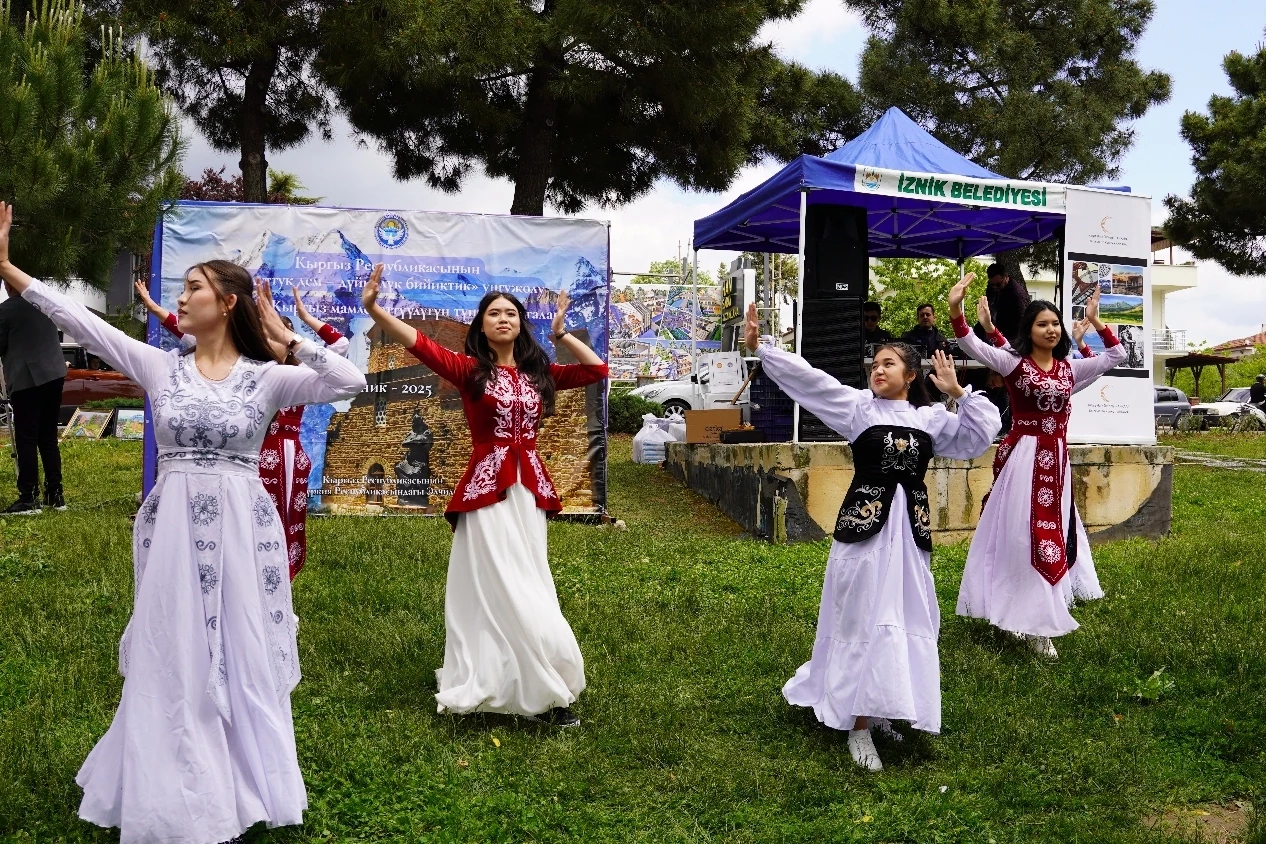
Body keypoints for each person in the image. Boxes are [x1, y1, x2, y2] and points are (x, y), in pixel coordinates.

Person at [0, 202, 367, 844]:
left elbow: (347, 382)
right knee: (173, 642)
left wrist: (289, 340)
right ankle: (169, 775)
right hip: (173, 531)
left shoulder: (267, 379)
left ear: (227, 302)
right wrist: (10, 269)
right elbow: (80, 322)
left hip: (240, 530)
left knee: (239, 644)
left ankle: (244, 776)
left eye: (194, 287)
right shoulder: (160, 366)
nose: (183, 296)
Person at [744, 303, 1000, 771]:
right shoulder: (859, 409)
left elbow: (980, 436)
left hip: (908, 536)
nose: (877, 370)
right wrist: (763, 349)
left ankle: (884, 706)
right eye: (874, 364)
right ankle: (856, 725)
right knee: (864, 615)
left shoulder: (930, 420)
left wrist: (958, 393)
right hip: (865, 533)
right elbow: (812, 381)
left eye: (888, 364)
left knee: (904, 613)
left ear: (910, 375)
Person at [361, 265, 608, 727]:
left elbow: (598, 370)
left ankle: (534, 676)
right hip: (485, 492)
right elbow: (420, 343)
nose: (502, 319)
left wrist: (561, 334)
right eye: (493, 313)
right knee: (495, 582)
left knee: (529, 577)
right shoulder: (468, 369)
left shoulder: (541, 374)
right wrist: (374, 310)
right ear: (481, 326)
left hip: (527, 491)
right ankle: (501, 679)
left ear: (520, 325)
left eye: (510, 314)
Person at [948, 275, 1126, 659]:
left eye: (1054, 323)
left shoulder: (1068, 370)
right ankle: (1024, 617)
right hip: (1023, 461)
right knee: (1021, 535)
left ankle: (1037, 616)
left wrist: (1095, 321)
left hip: (1056, 462)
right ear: (1029, 330)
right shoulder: (1014, 364)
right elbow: (970, 344)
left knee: (1052, 534)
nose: (1050, 329)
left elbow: (1116, 357)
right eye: (1041, 323)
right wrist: (956, 310)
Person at [138, 281, 350, 579]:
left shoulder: (296, 375)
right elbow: (187, 335)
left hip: (287, 460)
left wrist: (302, 318)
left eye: (275, 335)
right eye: (263, 333)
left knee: (285, 520)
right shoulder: (245, 372)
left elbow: (340, 346)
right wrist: (156, 309)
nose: (267, 340)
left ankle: (279, 581)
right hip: (249, 457)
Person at [0, 276, 67, 513]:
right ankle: (55, 494)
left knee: (26, 438)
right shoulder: (42, 303)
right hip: (55, 374)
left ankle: (28, 497)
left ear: (9, 286)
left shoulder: (6, 310)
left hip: (28, 379)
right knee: (47, 436)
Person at [979, 262, 1032, 344]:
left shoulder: (1016, 295)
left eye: (998, 284)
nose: (995, 287)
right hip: (997, 329)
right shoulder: (993, 286)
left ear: (1006, 277)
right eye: (992, 284)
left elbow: (1022, 321)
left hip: (1012, 337)